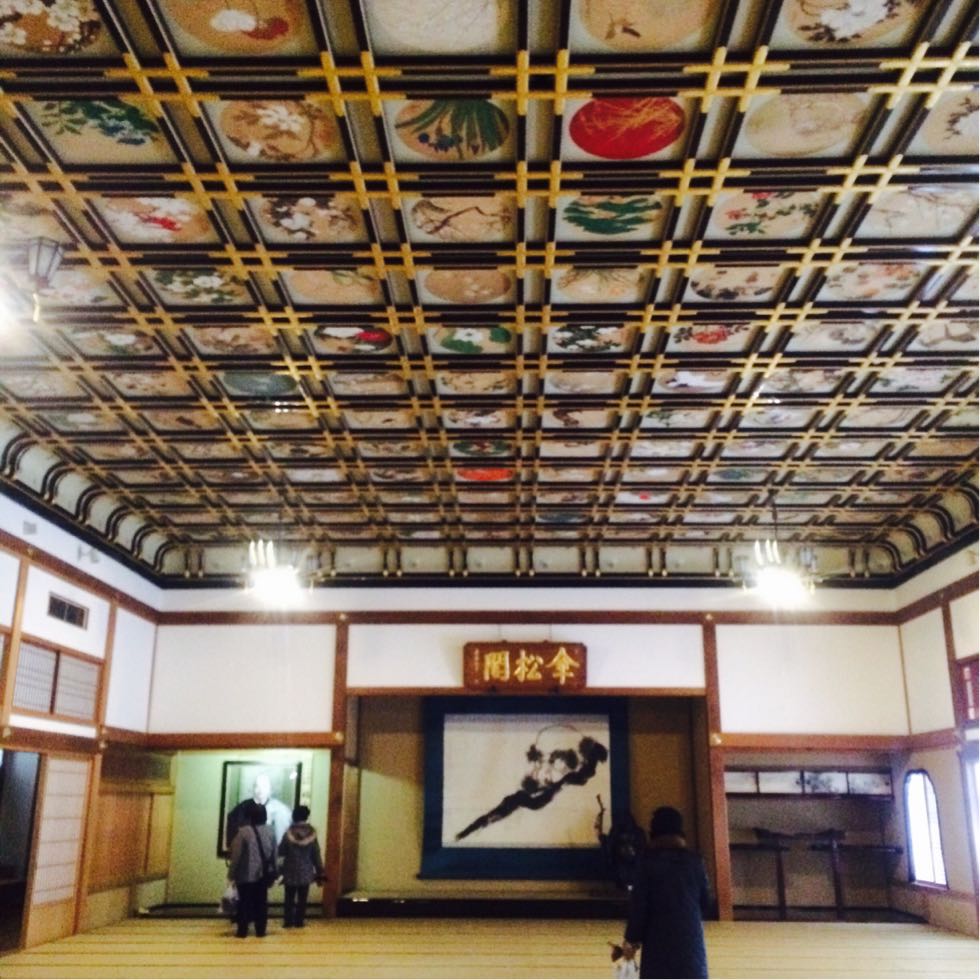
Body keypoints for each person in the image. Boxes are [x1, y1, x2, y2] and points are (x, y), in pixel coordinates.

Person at [621, 806, 711, 979]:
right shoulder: (695, 862)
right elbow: (705, 903)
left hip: (658, 946)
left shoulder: (647, 864)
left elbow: (639, 908)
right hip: (691, 946)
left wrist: (631, 940)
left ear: (654, 832)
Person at [227, 800, 277, 938]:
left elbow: (236, 856)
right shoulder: (270, 831)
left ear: (249, 817)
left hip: (245, 875)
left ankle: (242, 930)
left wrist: (231, 874)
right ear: (265, 816)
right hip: (263, 874)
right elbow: (274, 853)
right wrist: (274, 871)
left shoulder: (243, 832)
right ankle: (260, 930)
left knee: (244, 902)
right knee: (261, 902)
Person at [278, 805, 325, 928]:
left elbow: (281, 851)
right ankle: (299, 921)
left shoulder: (288, 833)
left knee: (289, 898)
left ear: (294, 816)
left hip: (290, 869)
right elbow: (316, 854)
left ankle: (288, 921)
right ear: (306, 817)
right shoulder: (312, 834)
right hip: (306, 870)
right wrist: (320, 870)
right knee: (302, 898)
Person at [226, 772, 293, 850]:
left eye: (264, 786)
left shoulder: (281, 810)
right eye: (257, 786)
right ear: (253, 788)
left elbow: (281, 841)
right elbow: (232, 832)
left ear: (270, 789)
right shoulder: (242, 807)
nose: (260, 790)